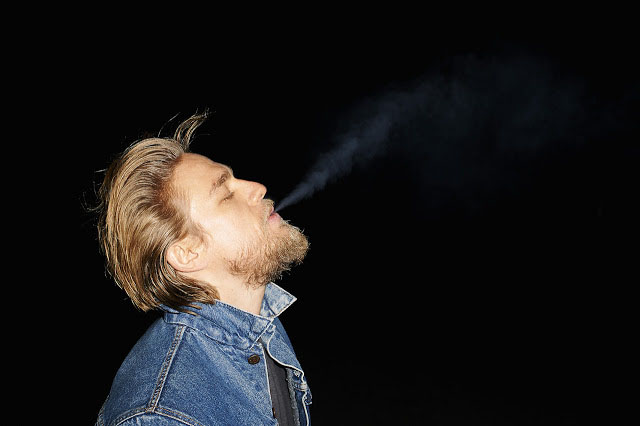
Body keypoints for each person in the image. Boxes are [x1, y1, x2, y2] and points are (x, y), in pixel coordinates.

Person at [94, 113, 311, 426]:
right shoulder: (160, 415)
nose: (258, 188)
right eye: (226, 194)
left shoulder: (260, 323)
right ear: (187, 252)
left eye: (235, 179)